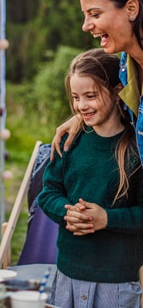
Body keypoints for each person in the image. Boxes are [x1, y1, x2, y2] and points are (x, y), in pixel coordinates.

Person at [38, 48, 143, 308]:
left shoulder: (137, 148)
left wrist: (106, 218)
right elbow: (48, 192)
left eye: (90, 96)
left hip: (117, 283)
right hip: (67, 275)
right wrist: (68, 212)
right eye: (76, 97)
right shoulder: (70, 141)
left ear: (118, 90)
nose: (81, 105)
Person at [51, 0, 143, 162]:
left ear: (131, 9)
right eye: (85, 16)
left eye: (95, 14)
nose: (86, 26)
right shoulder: (125, 69)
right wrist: (82, 117)